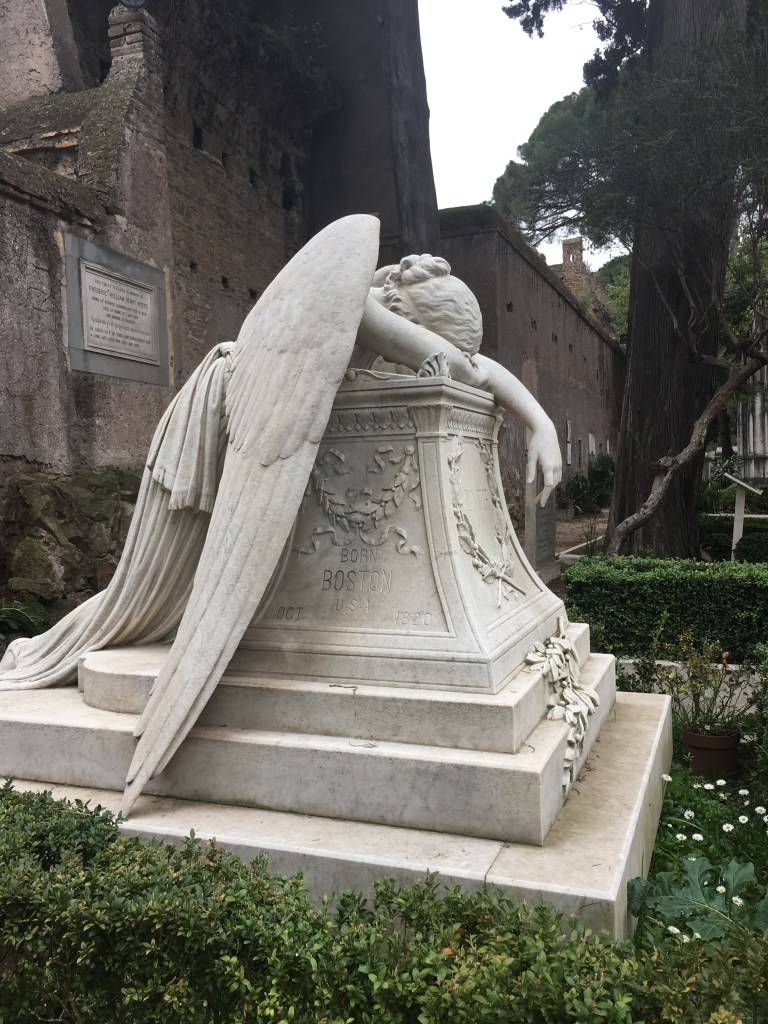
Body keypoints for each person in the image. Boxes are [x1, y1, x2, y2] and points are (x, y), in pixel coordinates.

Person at [0, 216, 562, 812]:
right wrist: (508, 400)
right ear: (402, 312)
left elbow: (468, 365)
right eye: (413, 336)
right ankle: (105, 647)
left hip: (255, 420)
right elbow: (455, 362)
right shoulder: (348, 300)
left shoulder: (360, 296)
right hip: (228, 426)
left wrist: (542, 423)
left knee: (178, 594)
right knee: (163, 593)